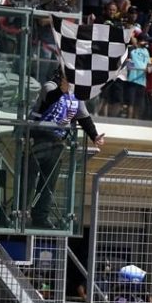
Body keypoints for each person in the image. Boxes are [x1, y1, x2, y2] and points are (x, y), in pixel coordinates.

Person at [27, 68, 106, 227]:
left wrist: (94, 136)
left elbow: (83, 117)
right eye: (69, 77)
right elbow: (50, 99)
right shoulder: (49, 86)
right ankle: (21, 211)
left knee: (49, 182)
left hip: (57, 142)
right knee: (29, 178)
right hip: (37, 137)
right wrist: (61, 90)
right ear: (60, 76)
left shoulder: (76, 95)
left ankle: (40, 216)